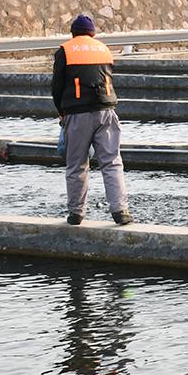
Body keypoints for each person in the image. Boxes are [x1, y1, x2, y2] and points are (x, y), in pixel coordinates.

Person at [52, 14, 132, 225]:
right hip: (107, 111)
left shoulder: (65, 50)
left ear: (73, 33)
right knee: (112, 162)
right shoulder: (104, 49)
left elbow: (57, 87)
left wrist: (61, 112)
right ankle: (120, 211)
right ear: (92, 33)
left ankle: (77, 213)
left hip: (78, 113)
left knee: (77, 164)